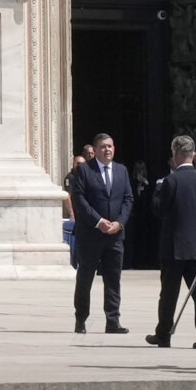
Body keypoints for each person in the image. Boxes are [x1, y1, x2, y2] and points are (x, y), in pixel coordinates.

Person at [148, 137, 196, 350]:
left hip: (174, 247)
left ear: (175, 154)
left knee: (169, 293)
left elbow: (159, 209)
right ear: (193, 155)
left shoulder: (171, 181)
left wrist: (157, 192)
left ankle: (164, 334)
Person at [68, 132, 133, 335]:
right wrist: (98, 222)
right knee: (85, 277)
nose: (108, 150)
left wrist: (119, 223)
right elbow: (79, 200)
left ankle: (113, 320)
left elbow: (128, 199)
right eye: (103, 147)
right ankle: (81, 319)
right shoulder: (84, 171)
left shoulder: (121, 171)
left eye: (110, 146)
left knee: (113, 279)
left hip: (114, 236)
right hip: (90, 235)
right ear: (94, 150)